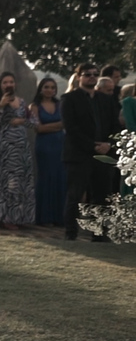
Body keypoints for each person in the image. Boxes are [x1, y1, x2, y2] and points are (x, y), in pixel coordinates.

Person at [61, 63, 110, 241]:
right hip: (78, 155)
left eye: (95, 74)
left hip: (102, 155)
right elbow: (71, 128)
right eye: (87, 74)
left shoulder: (104, 100)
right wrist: (93, 146)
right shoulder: (69, 99)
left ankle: (98, 235)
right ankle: (71, 234)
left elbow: (113, 125)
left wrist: (108, 145)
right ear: (79, 76)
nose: (91, 77)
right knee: (75, 195)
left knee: (101, 196)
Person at [0, 72, 36, 228]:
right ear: (0, 85)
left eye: (11, 82)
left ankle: (21, 217)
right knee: (3, 182)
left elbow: (34, 122)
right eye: (5, 82)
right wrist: (1, 106)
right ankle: (4, 218)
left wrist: (22, 121)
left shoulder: (22, 102)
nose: (8, 85)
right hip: (0, 147)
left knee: (20, 182)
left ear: (15, 84)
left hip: (20, 147)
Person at [30, 77, 67, 225]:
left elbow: (66, 124)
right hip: (44, 146)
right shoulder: (34, 106)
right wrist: (57, 125)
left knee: (60, 177)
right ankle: (44, 217)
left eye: (52, 87)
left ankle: (59, 217)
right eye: (46, 87)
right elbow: (38, 128)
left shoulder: (60, 105)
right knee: (46, 178)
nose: (50, 90)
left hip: (60, 144)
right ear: (40, 88)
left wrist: (51, 126)